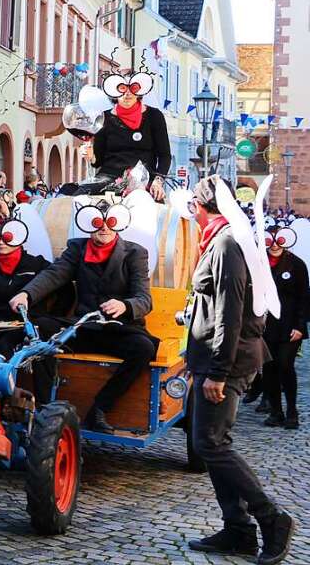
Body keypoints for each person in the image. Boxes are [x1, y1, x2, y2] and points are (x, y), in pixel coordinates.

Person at [185, 176, 293, 563]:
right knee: (210, 443)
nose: (191, 214)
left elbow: (230, 313)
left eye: (192, 207)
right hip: (214, 358)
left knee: (211, 444)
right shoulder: (222, 238)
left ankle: (271, 518)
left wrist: (217, 371)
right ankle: (238, 530)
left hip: (227, 362)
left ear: (202, 207)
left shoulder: (228, 243)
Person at [9, 198, 158, 433]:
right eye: (97, 221)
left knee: (143, 349)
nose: (104, 227)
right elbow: (54, 275)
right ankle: (47, 411)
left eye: (110, 222)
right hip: (82, 326)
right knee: (40, 330)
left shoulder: (135, 253)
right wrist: (26, 294)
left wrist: (125, 305)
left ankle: (99, 409)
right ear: (88, 223)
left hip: (118, 329)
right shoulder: (77, 248)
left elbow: (144, 299)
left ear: (118, 223)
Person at [0, 216, 57, 405]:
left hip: (28, 325)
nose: (1, 242)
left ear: (19, 239)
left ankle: (19, 403)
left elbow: (59, 286)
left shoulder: (36, 264)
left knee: (7, 348)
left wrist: (45, 315)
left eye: (7, 237)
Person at [87, 69, 171, 201]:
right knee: (75, 196)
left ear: (139, 91)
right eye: (122, 88)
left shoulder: (154, 116)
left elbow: (165, 155)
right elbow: (98, 162)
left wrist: (158, 181)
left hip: (144, 181)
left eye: (133, 88)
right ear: (114, 92)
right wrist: (91, 155)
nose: (127, 94)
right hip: (109, 180)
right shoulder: (103, 117)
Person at [262, 222, 309, 429]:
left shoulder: (297, 264)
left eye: (279, 239)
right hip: (265, 326)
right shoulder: (259, 262)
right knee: (269, 368)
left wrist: (300, 326)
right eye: (270, 239)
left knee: (285, 366)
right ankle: (275, 411)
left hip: (289, 325)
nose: (274, 244)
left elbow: (304, 297)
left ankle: (291, 410)